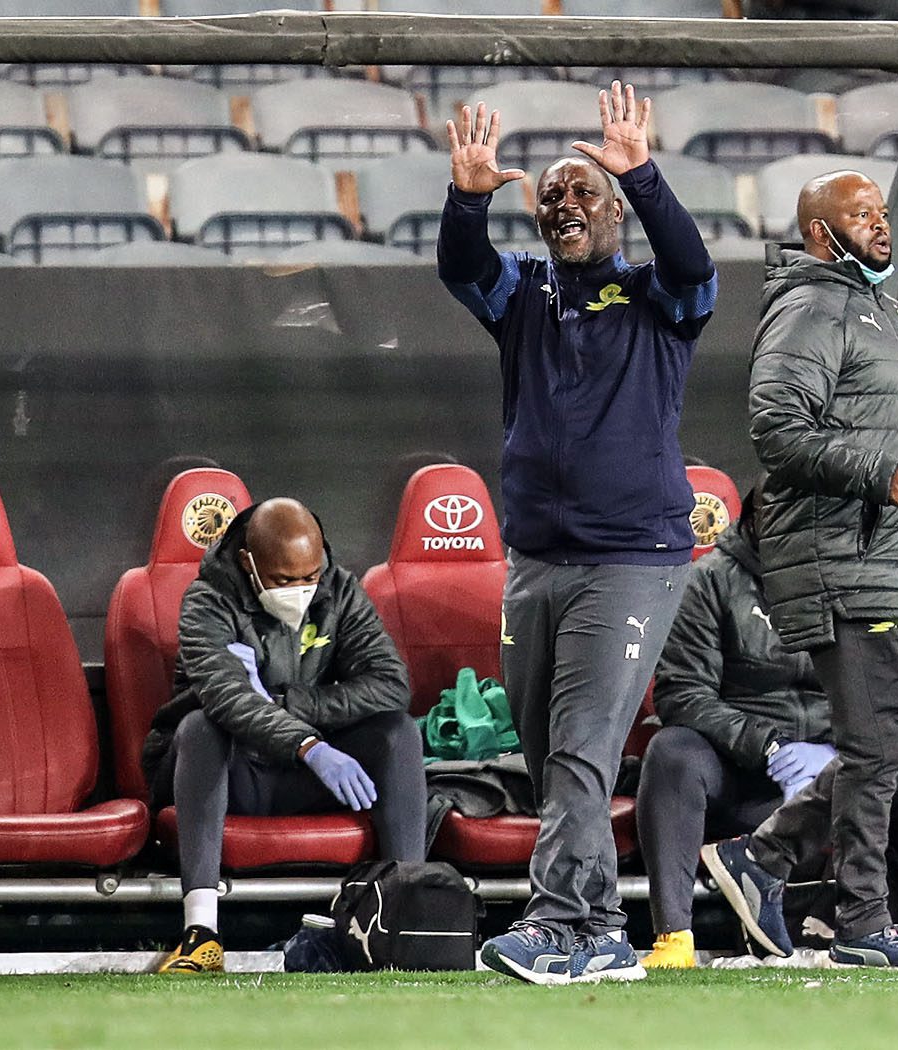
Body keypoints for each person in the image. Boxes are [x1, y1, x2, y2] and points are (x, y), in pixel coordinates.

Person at [700, 169, 898, 969]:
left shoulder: (892, 314)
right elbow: (778, 429)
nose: (881, 224)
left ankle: (765, 857)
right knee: (880, 744)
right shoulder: (807, 308)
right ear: (820, 232)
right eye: (861, 214)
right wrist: (877, 474)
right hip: (842, 555)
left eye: (882, 211)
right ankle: (860, 922)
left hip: (897, 560)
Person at [437, 81, 717, 985]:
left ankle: (554, 920)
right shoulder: (520, 293)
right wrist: (468, 197)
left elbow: (693, 261)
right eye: (552, 194)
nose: (566, 203)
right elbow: (459, 267)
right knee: (544, 748)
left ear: (615, 212)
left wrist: (640, 174)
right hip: (536, 559)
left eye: (583, 192)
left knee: (581, 747)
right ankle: (602, 931)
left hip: (631, 558)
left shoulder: (659, 298)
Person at [638, 483, 898, 968]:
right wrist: (767, 746)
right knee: (672, 752)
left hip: (846, 769)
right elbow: (682, 694)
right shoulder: (708, 580)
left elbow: (892, 698)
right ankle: (674, 938)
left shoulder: (860, 581)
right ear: (756, 518)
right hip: (746, 771)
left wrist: (839, 752)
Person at [143, 498, 425, 974]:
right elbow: (228, 698)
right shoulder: (206, 602)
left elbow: (391, 684)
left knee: (397, 732)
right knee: (199, 726)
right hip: (229, 775)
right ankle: (201, 933)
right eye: (283, 580)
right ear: (247, 562)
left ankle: (405, 917)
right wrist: (308, 745)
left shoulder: (339, 590)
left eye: (309, 576)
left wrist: (290, 704)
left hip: (306, 773)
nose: (300, 590)